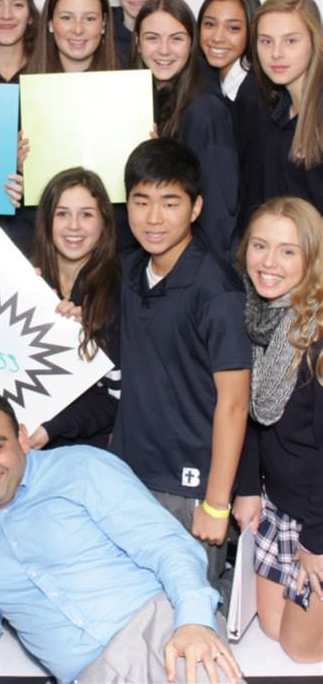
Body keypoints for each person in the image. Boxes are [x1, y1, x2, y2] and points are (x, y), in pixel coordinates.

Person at [0, 390, 242, 684]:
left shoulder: (82, 468)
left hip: (161, 632)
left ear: (21, 438)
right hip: (86, 676)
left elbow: (166, 545)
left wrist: (194, 621)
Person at [112, 138, 251, 586]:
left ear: (195, 208)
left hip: (189, 486)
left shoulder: (217, 289)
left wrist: (215, 503)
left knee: (187, 612)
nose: (154, 218)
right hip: (129, 474)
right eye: (142, 201)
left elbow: (234, 402)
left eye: (170, 202)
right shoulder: (128, 271)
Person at [233, 196, 323, 664]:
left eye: (287, 251)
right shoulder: (255, 317)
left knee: (299, 650)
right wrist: (247, 488)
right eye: (260, 246)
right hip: (279, 502)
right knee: (269, 628)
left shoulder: (318, 334)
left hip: (318, 516)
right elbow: (245, 416)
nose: (269, 262)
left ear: (312, 258)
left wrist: (315, 546)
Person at [131, 0, 239, 259]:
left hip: (197, 265)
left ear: (191, 44)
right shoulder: (141, 100)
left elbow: (219, 214)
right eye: (152, 38)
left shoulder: (205, 110)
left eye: (176, 38)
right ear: (137, 43)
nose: (164, 50)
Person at [27, 167, 121, 450]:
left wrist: (82, 337)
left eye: (87, 214)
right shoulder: (28, 281)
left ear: (104, 222)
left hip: (85, 457)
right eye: (62, 213)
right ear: (46, 220)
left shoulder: (118, 291)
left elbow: (116, 398)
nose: (74, 226)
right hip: (15, 454)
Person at [238, 0, 323, 225]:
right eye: (266, 41)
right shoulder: (270, 111)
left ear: (314, 41)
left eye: (291, 41)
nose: (276, 53)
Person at [27, 0, 116, 74]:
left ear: (103, 23)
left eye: (90, 19)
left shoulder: (127, 86)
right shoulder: (22, 87)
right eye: (66, 18)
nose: (78, 30)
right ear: (50, 22)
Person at [197, 0, 260, 103]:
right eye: (210, 24)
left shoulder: (254, 95)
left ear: (252, 31)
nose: (217, 38)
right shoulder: (207, 79)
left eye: (233, 28)